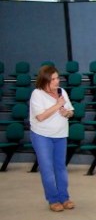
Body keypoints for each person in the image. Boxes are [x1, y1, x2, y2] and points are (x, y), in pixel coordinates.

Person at [29, 65, 75, 212]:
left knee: (60, 168)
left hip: (60, 135)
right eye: (53, 79)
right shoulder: (37, 94)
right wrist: (58, 106)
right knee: (47, 169)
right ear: (44, 80)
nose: (57, 81)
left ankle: (64, 198)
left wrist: (66, 112)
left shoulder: (62, 92)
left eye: (57, 78)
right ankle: (53, 199)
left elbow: (71, 112)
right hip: (42, 135)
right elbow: (40, 117)